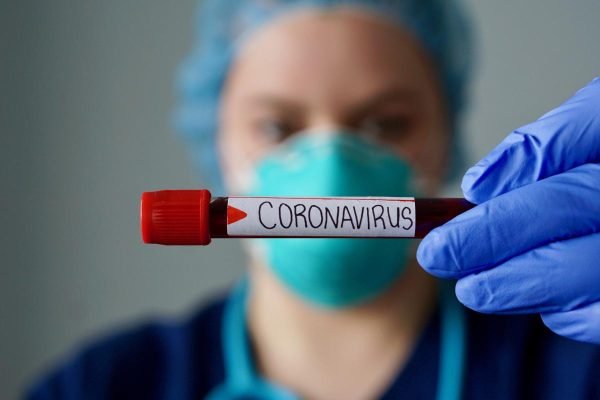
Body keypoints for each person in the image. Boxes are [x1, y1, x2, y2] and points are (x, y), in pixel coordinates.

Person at [26, 0, 600, 399]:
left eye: (384, 124)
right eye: (277, 128)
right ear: (216, 140)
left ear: (446, 135)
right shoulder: (107, 386)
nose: (330, 164)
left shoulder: (575, 366)